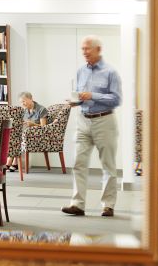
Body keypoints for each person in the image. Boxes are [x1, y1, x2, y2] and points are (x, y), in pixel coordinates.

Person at [62, 35, 121, 217]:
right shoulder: (81, 71)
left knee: (108, 165)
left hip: (105, 121)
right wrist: (75, 102)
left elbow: (116, 99)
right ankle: (77, 204)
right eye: (82, 49)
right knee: (79, 163)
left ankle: (108, 205)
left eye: (88, 48)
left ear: (98, 50)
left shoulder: (111, 72)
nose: (84, 52)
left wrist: (93, 95)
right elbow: (82, 97)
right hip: (83, 121)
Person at [6, 92, 48, 172]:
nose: (22, 104)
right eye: (21, 102)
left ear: (31, 99)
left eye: (24, 101)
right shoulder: (24, 111)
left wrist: (33, 124)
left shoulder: (41, 109)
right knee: (14, 136)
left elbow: (44, 127)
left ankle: (8, 164)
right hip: (25, 135)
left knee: (16, 139)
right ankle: (14, 164)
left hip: (37, 135)